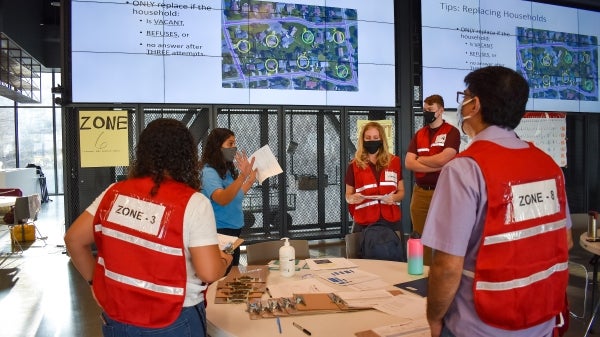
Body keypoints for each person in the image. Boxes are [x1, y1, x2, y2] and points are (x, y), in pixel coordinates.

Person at [422, 66, 572, 337]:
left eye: (464, 97)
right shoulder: (550, 167)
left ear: (474, 105)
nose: (463, 104)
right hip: (543, 323)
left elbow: (446, 267)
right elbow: (565, 241)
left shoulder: (464, 169)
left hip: (480, 326)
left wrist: (434, 317)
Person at [64, 118, 233, 337]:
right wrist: (223, 260)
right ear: (187, 156)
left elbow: (73, 239)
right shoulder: (192, 202)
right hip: (174, 318)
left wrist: (94, 282)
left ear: (143, 152)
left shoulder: (114, 193)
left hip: (118, 318)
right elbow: (208, 272)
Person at [405, 94, 460, 265]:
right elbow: (409, 163)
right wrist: (436, 164)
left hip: (444, 192)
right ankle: (419, 273)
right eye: (425, 110)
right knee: (419, 237)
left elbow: (446, 158)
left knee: (446, 237)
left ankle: (443, 276)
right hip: (420, 192)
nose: (426, 113)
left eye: (430, 110)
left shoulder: (452, 132)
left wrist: (420, 160)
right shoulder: (419, 134)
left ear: (441, 110)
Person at [200, 128, 257, 266]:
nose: (234, 147)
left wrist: (250, 179)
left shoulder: (226, 171)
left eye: (234, 144)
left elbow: (235, 194)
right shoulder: (209, 172)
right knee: (223, 270)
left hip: (233, 232)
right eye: (230, 144)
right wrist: (243, 176)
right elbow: (222, 199)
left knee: (232, 268)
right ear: (217, 146)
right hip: (220, 233)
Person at [345, 121, 405, 233]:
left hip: (391, 220)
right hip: (364, 222)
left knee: (394, 250)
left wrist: (394, 198)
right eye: (368, 138)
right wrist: (353, 198)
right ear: (362, 140)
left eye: (375, 137)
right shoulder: (354, 165)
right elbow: (348, 195)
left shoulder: (394, 161)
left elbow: (401, 192)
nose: (372, 140)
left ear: (381, 139)